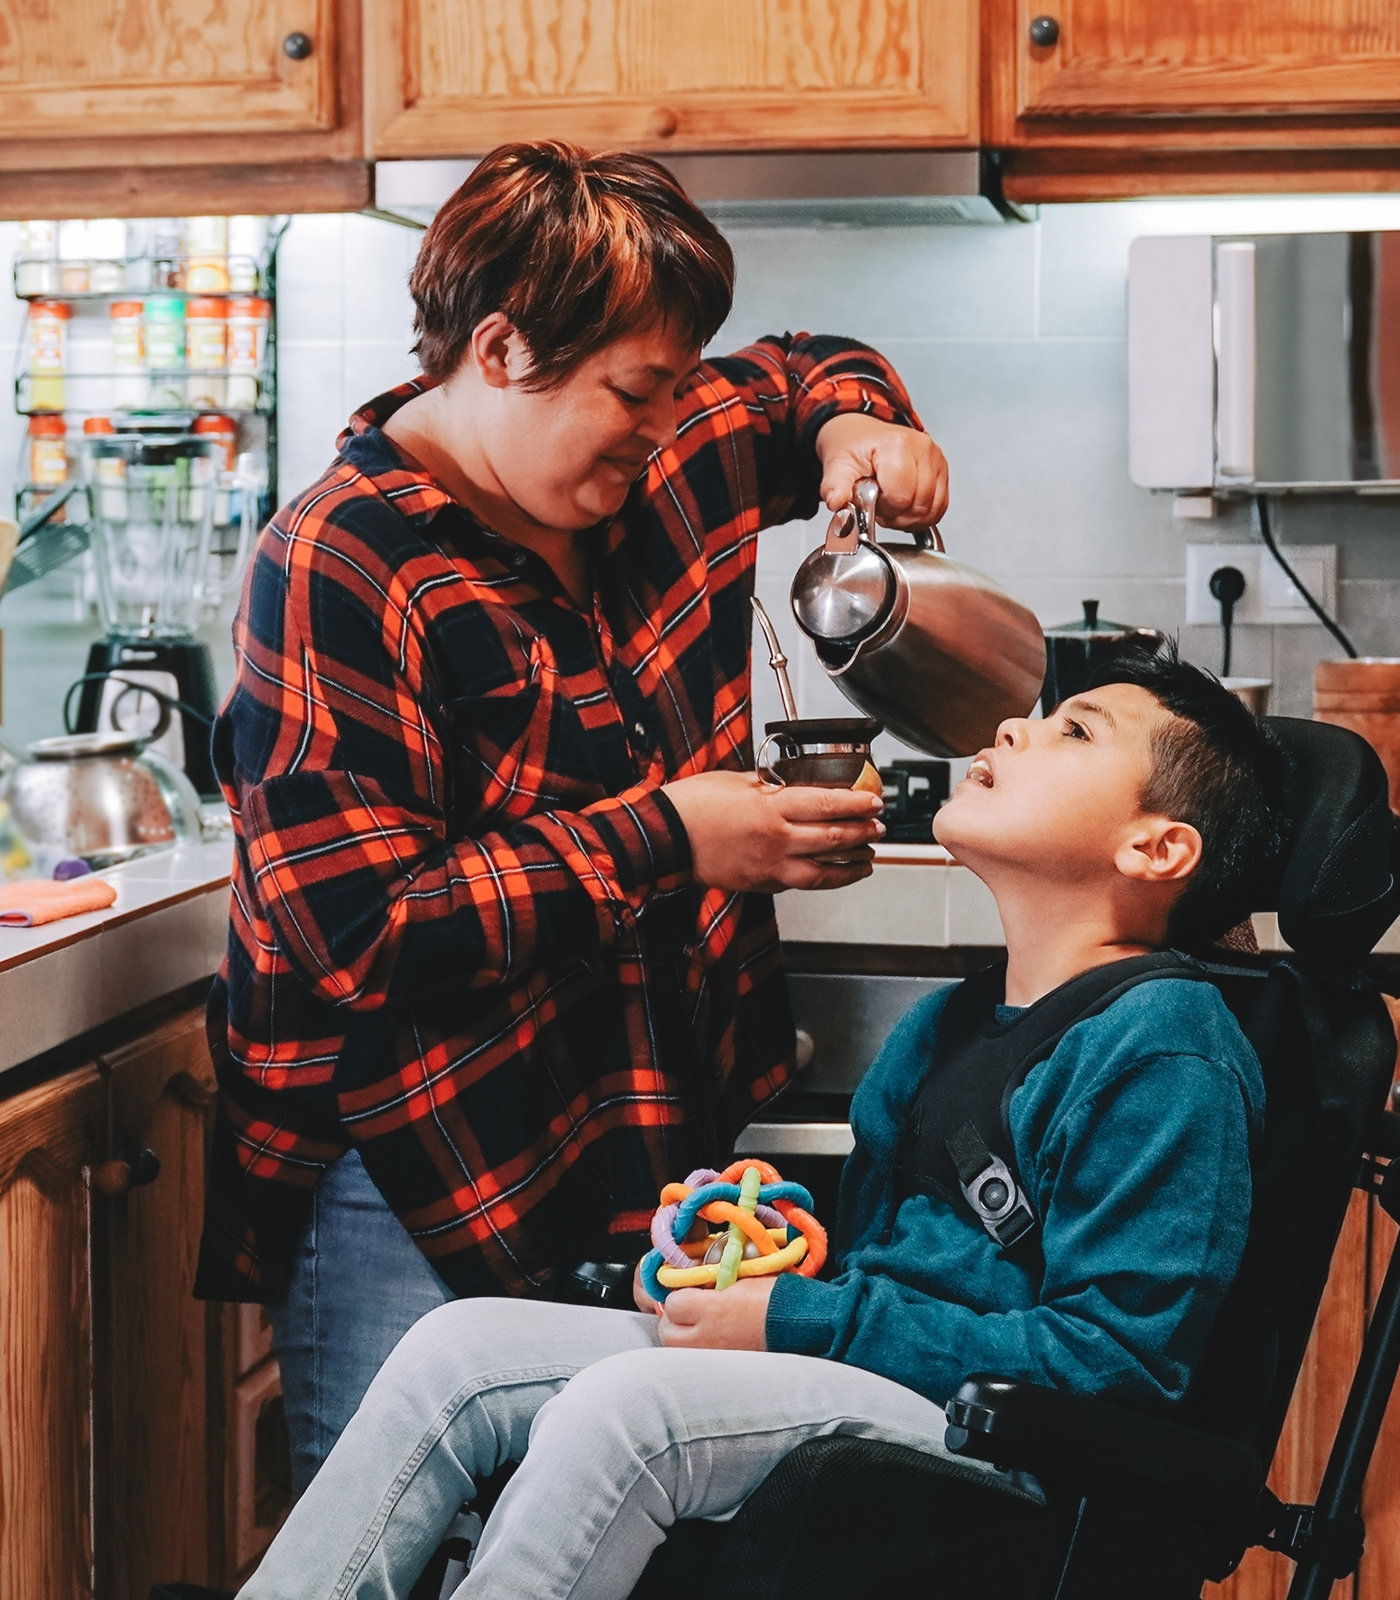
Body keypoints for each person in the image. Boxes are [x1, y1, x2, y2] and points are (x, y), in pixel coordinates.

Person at [195, 139, 950, 1492]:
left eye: (675, 387)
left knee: (593, 1539)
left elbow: (800, 376)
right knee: (408, 1545)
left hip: (644, 1129)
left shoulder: (657, 448)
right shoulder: (342, 562)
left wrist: (859, 426)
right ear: (499, 347)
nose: (671, 423)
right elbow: (359, 932)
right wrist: (673, 837)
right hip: (415, 1161)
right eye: (636, 392)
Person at [236, 649, 1290, 1600]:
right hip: (875, 1382)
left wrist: (793, 1322)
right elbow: (877, 1268)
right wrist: (742, 1280)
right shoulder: (949, 1026)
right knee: (456, 1349)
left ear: (1157, 848)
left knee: (626, 1414)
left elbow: (1114, 1367)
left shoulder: (1164, 1050)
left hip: (1012, 1446)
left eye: (1074, 730)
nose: (1014, 725)